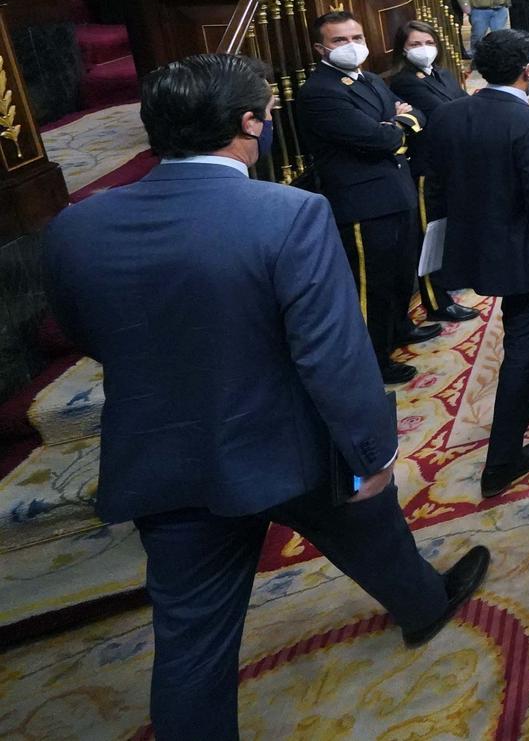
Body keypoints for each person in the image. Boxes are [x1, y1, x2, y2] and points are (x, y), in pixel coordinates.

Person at [42, 53, 488, 738]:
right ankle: (424, 604)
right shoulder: (290, 213)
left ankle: (424, 599)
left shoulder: (76, 224)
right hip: (291, 442)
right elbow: (333, 356)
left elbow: (86, 333)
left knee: (190, 644)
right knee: (371, 530)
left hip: (164, 454)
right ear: (251, 123)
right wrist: (372, 455)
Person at [422, 28, 529, 497]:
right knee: (521, 349)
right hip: (528, 255)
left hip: (477, 246)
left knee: (526, 332)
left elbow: (436, 182)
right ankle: (502, 461)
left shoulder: (447, 114)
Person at [295, 11, 436, 385]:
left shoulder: (371, 79)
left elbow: (415, 116)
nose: (351, 45)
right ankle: (373, 359)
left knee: (398, 273)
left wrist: (398, 123)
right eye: (340, 41)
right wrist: (397, 125)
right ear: (320, 48)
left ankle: (399, 328)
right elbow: (379, 139)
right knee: (371, 286)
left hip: (396, 189)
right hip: (362, 203)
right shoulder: (320, 92)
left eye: (356, 36)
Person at [384, 20, 478, 326]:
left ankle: (451, 278)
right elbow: (441, 114)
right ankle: (436, 301)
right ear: (402, 50)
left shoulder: (443, 73)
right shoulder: (403, 81)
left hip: (453, 163)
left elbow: (463, 105)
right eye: (414, 44)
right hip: (427, 168)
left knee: (451, 227)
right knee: (430, 234)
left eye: (427, 42)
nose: (423, 49)